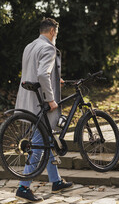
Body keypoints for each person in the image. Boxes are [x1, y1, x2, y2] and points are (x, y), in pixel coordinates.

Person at [14, 18, 72, 202]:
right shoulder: (48, 48)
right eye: (57, 33)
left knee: (47, 141)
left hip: (27, 102)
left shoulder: (30, 46)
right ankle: (23, 187)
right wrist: (52, 99)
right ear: (53, 31)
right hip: (41, 105)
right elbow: (41, 73)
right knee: (39, 147)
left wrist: (56, 78)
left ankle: (55, 181)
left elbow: (34, 71)